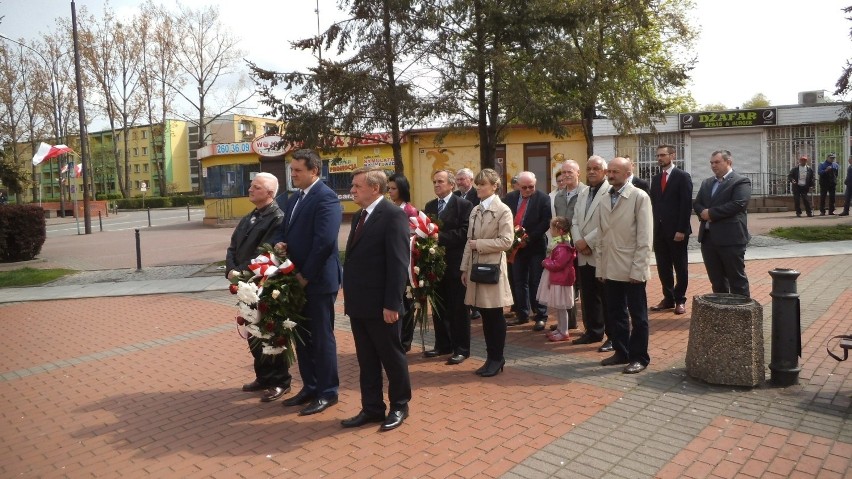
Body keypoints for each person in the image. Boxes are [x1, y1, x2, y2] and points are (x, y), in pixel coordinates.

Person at [340, 167, 412, 431]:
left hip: (383, 306)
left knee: (392, 358)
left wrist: (392, 304)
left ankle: (399, 406)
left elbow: (397, 263)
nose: (352, 191)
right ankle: (372, 408)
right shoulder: (360, 215)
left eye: (357, 186)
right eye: (353, 186)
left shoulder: (393, 215)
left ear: (375, 189)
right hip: (360, 304)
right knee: (366, 360)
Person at [273, 149, 343, 416]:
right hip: (296, 279)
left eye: (298, 171)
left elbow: (324, 242)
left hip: (317, 281)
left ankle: (328, 391)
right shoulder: (294, 199)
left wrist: (305, 276)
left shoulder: (326, 198)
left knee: (321, 338)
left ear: (314, 171)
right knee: (302, 337)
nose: (293, 175)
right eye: (291, 170)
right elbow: (284, 229)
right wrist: (280, 242)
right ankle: (310, 386)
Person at [225, 172, 290, 403]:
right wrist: (231, 271)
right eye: (251, 186)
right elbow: (233, 247)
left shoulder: (277, 218)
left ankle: (280, 381)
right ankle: (263, 376)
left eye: (257, 187)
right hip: (244, 285)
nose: (250, 190)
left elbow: (266, 253)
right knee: (252, 331)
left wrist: (241, 272)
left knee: (271, 332)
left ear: (270, 193)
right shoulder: (249, 216)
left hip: (264, 285)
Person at [596, 157, 653, 374]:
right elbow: (601, 236)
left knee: (638, 316)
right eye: (609, 171)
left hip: (631, 268)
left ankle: (639, 357)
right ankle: (622, 351)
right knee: (615, 313)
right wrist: (601, 268)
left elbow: (645, 237)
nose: (610, 175)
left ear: (628, 173)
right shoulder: (604, 198)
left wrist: (638, 269)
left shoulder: (639, 197)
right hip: (610, 267)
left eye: (615, 172)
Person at [461, 168, 514, 377]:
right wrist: (464, 268)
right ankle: (490, 357)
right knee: (484, 314)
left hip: (492, 269)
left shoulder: (503, 211)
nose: (479, 188)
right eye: (478, 184)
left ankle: (497, 357)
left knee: (494, 314)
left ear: (494, 186)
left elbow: (507, 241)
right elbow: (468, 242)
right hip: (476, 268)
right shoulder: (475, 210)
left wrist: (479, 244)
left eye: (483, 184)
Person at [423, 170, 473, 363]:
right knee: (438, 308)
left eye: (440, 182)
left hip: (455, 264)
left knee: (458, 309)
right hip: (435, 265)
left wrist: (440, 237)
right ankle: (442, 345)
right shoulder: (430, 205)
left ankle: (462, 348)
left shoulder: (463, 205)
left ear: (451, 184)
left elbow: (465, 232)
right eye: (434, 182)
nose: (436, 185)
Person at [693, 150, 752, 297]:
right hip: (708, 239)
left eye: (717, 162)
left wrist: (711, 213)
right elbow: (697, 203)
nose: (713, 166)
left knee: (736, 279)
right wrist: (703, 212)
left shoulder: (740, 181)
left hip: (731, 239)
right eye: (711, 163)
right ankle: (721, 313)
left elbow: (739, 204)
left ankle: (741, 313)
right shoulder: (707, 183)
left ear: (728, 162)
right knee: (717, 280)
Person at [571, 156, 610, 350]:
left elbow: (608, 222)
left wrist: (586, 241)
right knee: (587, 294)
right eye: (589, 168)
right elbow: (575, 220)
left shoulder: (610, 191)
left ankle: (612, 336)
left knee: (607, 296)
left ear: (604, 171)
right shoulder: (584, 192)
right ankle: (593, 331)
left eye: (596, 168)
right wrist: (578, 241)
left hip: (600, 251)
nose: (592, 172)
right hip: (583, 252)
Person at [504, 171, 552, 331]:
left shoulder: (543, 199)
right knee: (519, 281)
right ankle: (522, 313)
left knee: (536, 282)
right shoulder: (509, 198)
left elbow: (545, 222)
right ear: (517, 185)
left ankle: (540, 315)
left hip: (535, 246)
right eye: (524, 187)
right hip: (516, 248)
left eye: (531, 187)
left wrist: (528, 238)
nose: (527, 190)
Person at [649, 144, 693, 315]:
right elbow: (654, 205)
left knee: (680, 266)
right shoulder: (655, 178)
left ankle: (680, 299)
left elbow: (686, 205)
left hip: (677, 231)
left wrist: (681, 229)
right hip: (659, 231)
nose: (659, 158)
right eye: (658, 155)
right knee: (663, 266)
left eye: (663, 155)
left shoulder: (682, 176)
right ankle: (668, 298)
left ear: (672, 155)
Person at [550, 160, 585, 330]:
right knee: (566, 284)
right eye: (564, 172)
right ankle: (569, 322)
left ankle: (591, 326)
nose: (566, 175)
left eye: (570, 172)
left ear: (578, 172)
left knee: (583, 286)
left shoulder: (585, 193)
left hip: (583, 245)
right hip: (564, 248)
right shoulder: (559, 196)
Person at [388, 173, 418, 353]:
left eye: (393, 189)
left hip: (407, 263)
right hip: (393, 261)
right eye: (389, 188)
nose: (390, 192)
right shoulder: (390, 208)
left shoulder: (409, 211)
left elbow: (413, 239)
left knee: (407, 304)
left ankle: (405, 341)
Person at [539, 216, 576, 342]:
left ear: (559, 230)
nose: (550, 230)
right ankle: (560, 328)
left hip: (562, 280)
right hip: (558, 280)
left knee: (562, 307)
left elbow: (558, 264)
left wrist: (546, 262)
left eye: (552, 228)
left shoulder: (562, 248)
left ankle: (564, 331)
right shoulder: (559, 245)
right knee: (559, 307)